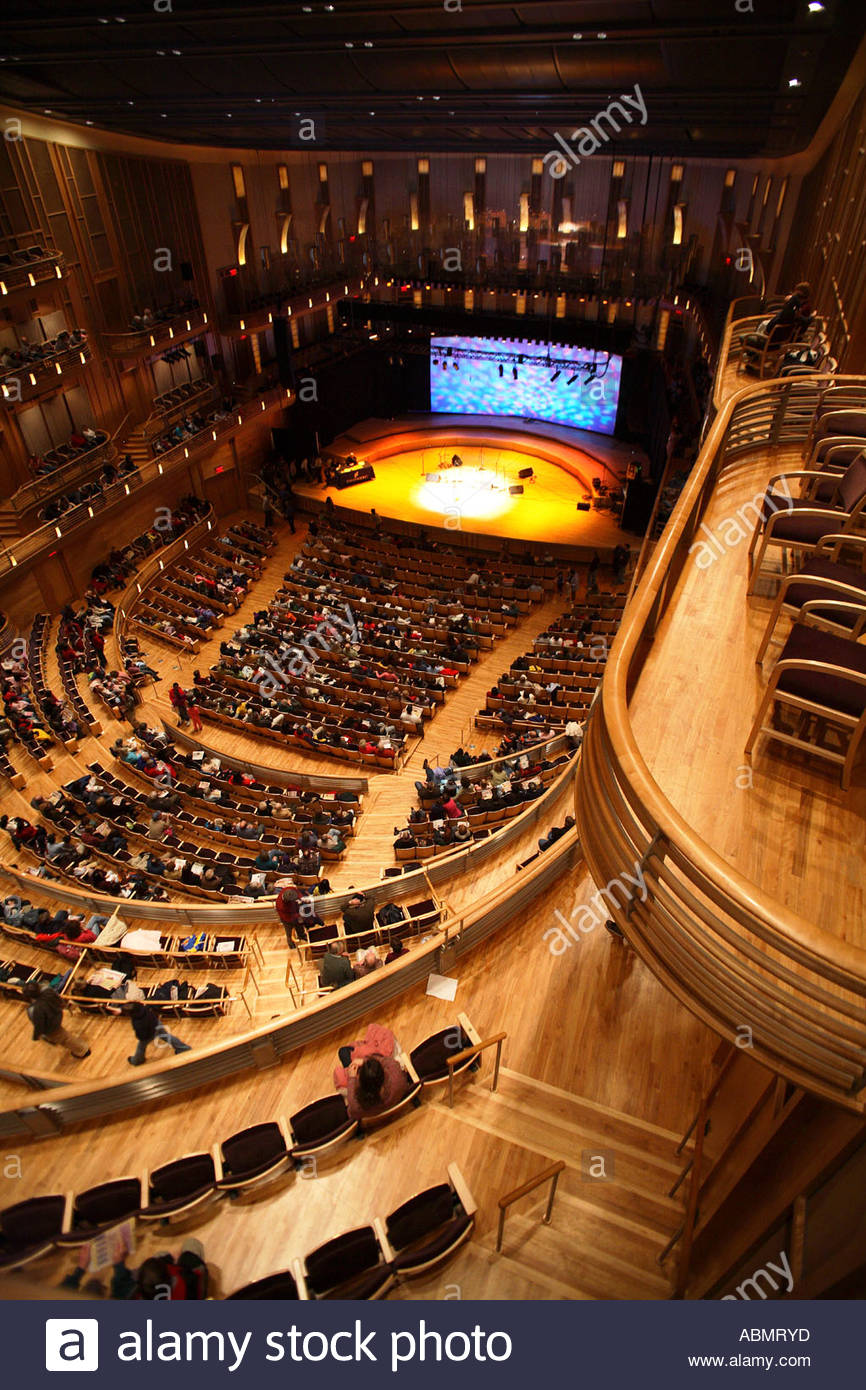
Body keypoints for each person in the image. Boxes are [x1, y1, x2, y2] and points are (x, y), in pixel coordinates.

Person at [22, 981, 90, 1058]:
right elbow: (58, 998)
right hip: (57, 1013)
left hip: (51, 1025)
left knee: (65, 1038)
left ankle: (83, 1051)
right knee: (62, 1036)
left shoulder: (34, 1009)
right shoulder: (46, 990)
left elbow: (39, 1024)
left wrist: (36, 1036)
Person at [343, 1054, 410, 1122]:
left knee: (343, 1052)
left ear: (361, 1082)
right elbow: (388, 1061)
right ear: (383, 1073)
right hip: (393, 1102)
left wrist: (351, 1078)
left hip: (368, 1116)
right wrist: (366, 1062)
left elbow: (351, 1110)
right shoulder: (398, 1080)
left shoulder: (355, 1105)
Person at [127, 1000, 191, 1065]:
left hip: (150, 1032)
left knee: (141, 1046)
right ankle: (184, 1048)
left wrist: (142, 1038)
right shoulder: (143, 1008)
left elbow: (141, 1035)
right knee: (167, 1037)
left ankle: (137, 1060)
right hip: (157, 1023)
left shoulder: (137, 1021)